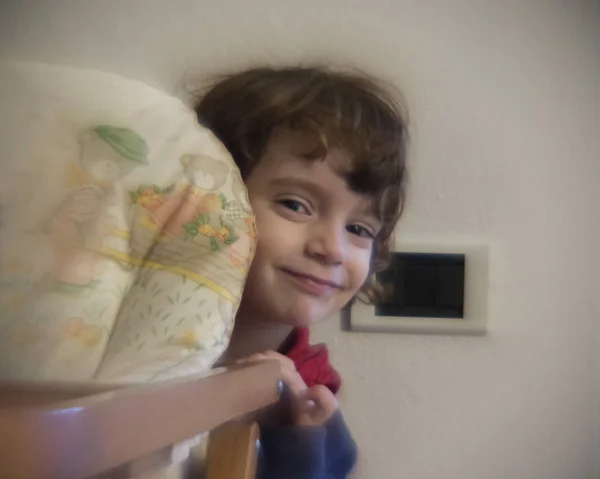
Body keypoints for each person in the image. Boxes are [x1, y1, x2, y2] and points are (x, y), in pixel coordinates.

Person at [195, 66, 408, 479]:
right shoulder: (123, 346)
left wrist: (297, 444)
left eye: (359, 229)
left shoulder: (311, 399)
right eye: (295, 204)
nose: (331, 249)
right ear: (203, 199)